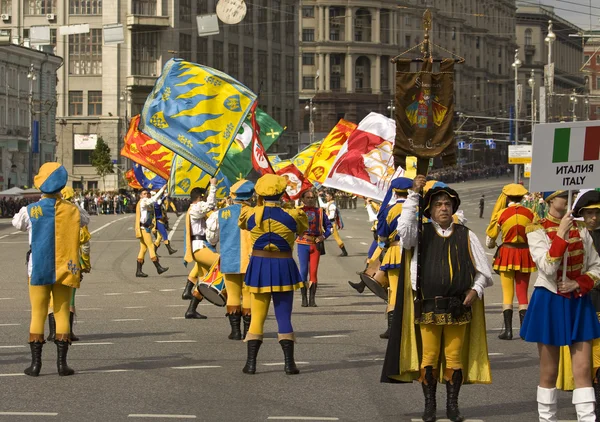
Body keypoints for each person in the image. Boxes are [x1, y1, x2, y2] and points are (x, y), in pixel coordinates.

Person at [381, 175, 493, 422]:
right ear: (430, 210)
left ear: (453, 208)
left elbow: (485, 271)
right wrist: (413, 195)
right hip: (428, 306)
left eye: (447, 205)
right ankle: (429, 405)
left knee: (454, 359)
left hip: (458, 309)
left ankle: (452, 406)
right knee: (428, 358)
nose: (444, 208)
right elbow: (404, 231)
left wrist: (475, 289)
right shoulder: (418, 234)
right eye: (439, 204)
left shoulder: (467, 234)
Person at [521, 190, 600, 422]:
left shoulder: (583, 229)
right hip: (550, 300)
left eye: (570, 194)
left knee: (584, 369)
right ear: (549, 200)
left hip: (578, 300)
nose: (567, 199)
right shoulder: (536, 230)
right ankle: (547, 419)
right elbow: (547, 267)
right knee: (549, 371)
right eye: (561, 195)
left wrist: (578, 282)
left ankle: (587, 419)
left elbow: (596, 266)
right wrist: (562, 234)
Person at [12, 162, 89, 376]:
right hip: (66, 267)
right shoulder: (73, 210)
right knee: (62, 312)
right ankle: (62, 365)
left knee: (38, 313)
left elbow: (17, 223)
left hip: (37, 267)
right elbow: (86, 220)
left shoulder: (30, 210)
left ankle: (36, 365)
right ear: (62, 185)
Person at [238, 174, 308, 375]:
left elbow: (243, 225)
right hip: (283, 265)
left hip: (259, 265)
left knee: (256, 318)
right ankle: (289, 364)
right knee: (284, 317)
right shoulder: (294, 215)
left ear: (259, 193)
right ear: (282, 192)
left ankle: (251, 364)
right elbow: (302, 230)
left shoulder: (250, 214)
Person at [485, 184, 537, 340]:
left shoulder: (501, 214)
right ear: (522, 197)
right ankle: (524, 331)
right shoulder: (530, 213)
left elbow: (490, 241)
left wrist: (494, 244)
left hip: (507, 254)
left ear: (507, 197)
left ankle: (508, 331)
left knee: (507, 293)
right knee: (523, 294)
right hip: (524, 254)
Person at [206, 180, 255, 339]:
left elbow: (211, 238)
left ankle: (235, 331)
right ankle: (249, 330)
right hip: (251, 260)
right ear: (251, 195)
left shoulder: (221, 213)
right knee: (248, 294)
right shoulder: (256, 212)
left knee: (233, 294)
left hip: (229, 257)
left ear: (233, 195)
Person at [46, 186, 92, 343]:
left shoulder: (47, 211)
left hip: (50, 260)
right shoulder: (74, 213)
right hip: (71, 261)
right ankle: (67, 331)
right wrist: (85, 264)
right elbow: (84, 243)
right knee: (69, 298)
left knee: (51, 296)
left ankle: (52, 332)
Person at [376, 177, 413, 339]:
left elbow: (382, 236)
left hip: (394, 252)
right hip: (413, 251)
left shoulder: (388, 210)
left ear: (395, 192)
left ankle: (392, 328)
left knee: (395, 290)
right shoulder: (417, 208)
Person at [181, 180, 218, 319]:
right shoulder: (195, 208)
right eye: (204, 196)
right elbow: (210, 205)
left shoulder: (194, 209)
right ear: (200, 197)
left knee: (203, 282)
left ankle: (191, 309)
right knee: (223, 264)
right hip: (200, 247)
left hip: (200, 247)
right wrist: (213, 186)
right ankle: (235, 300)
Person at [296, 188, 332, 307]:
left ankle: (312, 299)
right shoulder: (297, 212)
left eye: (312, 198)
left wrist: (323, 237)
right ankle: (304, 298)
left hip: (315, 244)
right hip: (302, 243)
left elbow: (329, 228)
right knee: (303, 271)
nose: (310, 200)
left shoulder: (320, 212)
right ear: (302, 199)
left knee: (313, 272)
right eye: (308, 198)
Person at [134, 186, 169, 277]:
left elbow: (154, 202)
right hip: (143, 228)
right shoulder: (143, 201)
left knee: (143, 249)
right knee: (151, 247)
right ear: (141, 196)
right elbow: (152, 199)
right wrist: (162, 189)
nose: (146, 195)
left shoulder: (146, 202)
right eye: (144, 194)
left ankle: (138, 271)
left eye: (147, 193)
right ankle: (158, 267)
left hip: (146, 227)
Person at [153, 191, 178, 256]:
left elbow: (163, 210)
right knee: (165, 235)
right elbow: (159, 202)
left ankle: (153, 252)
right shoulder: (155, 204)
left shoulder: (160, 204)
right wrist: (164, 196)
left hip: (162, 221)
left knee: (159, 238)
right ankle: (169, 249)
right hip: (158, 221)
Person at [325, 191, 348, 256]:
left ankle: (344, 251)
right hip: (328, 224)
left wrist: (325, 218)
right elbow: (322, 205)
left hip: (331, 224)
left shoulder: (332, 205)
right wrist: (318, 197)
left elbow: (332, 216)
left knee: (337, 237)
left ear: (331, 197)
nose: (326, 197)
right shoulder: (329, 203)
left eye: (327, 196)